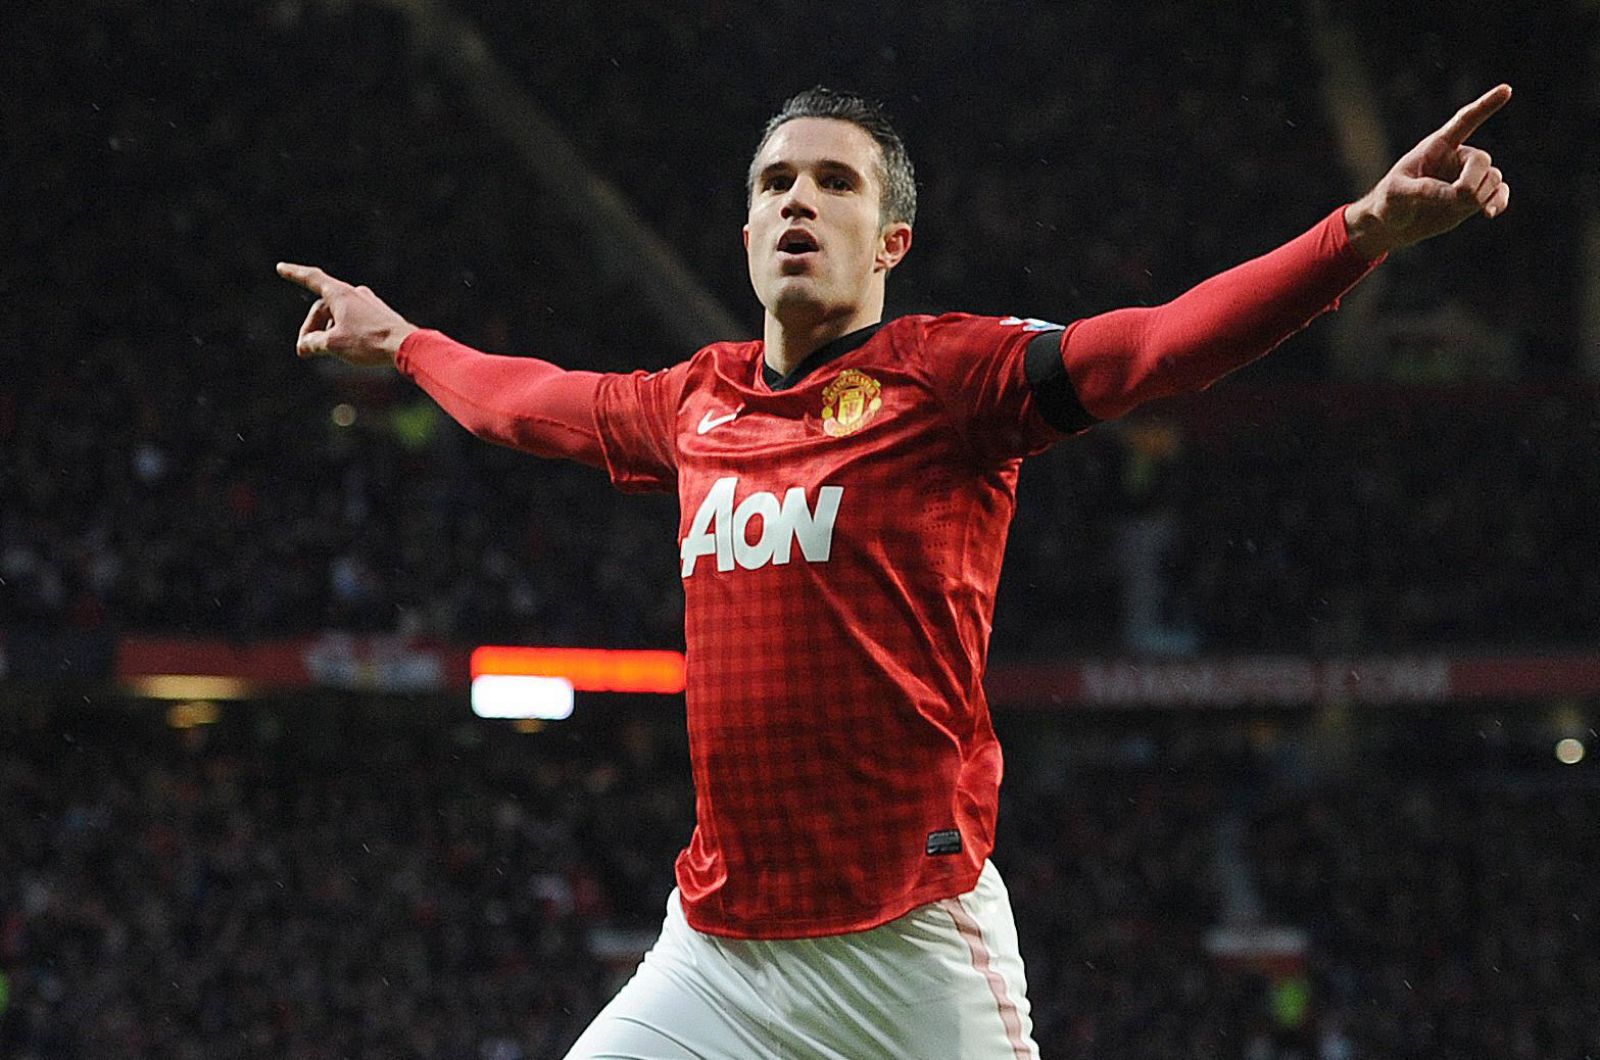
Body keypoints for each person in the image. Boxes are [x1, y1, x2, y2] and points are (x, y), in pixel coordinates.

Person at [278, 83, 1512, 1059]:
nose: (798, 200)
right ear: (750, 231)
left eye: (834, 180)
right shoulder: (692, 401)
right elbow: (529, 404)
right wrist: (401, 341)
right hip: (719, 951)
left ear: (892, 239)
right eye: (775, 182)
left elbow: (1156, 351)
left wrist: (1358, 234)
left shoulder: (955, 375)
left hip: (909, 950)